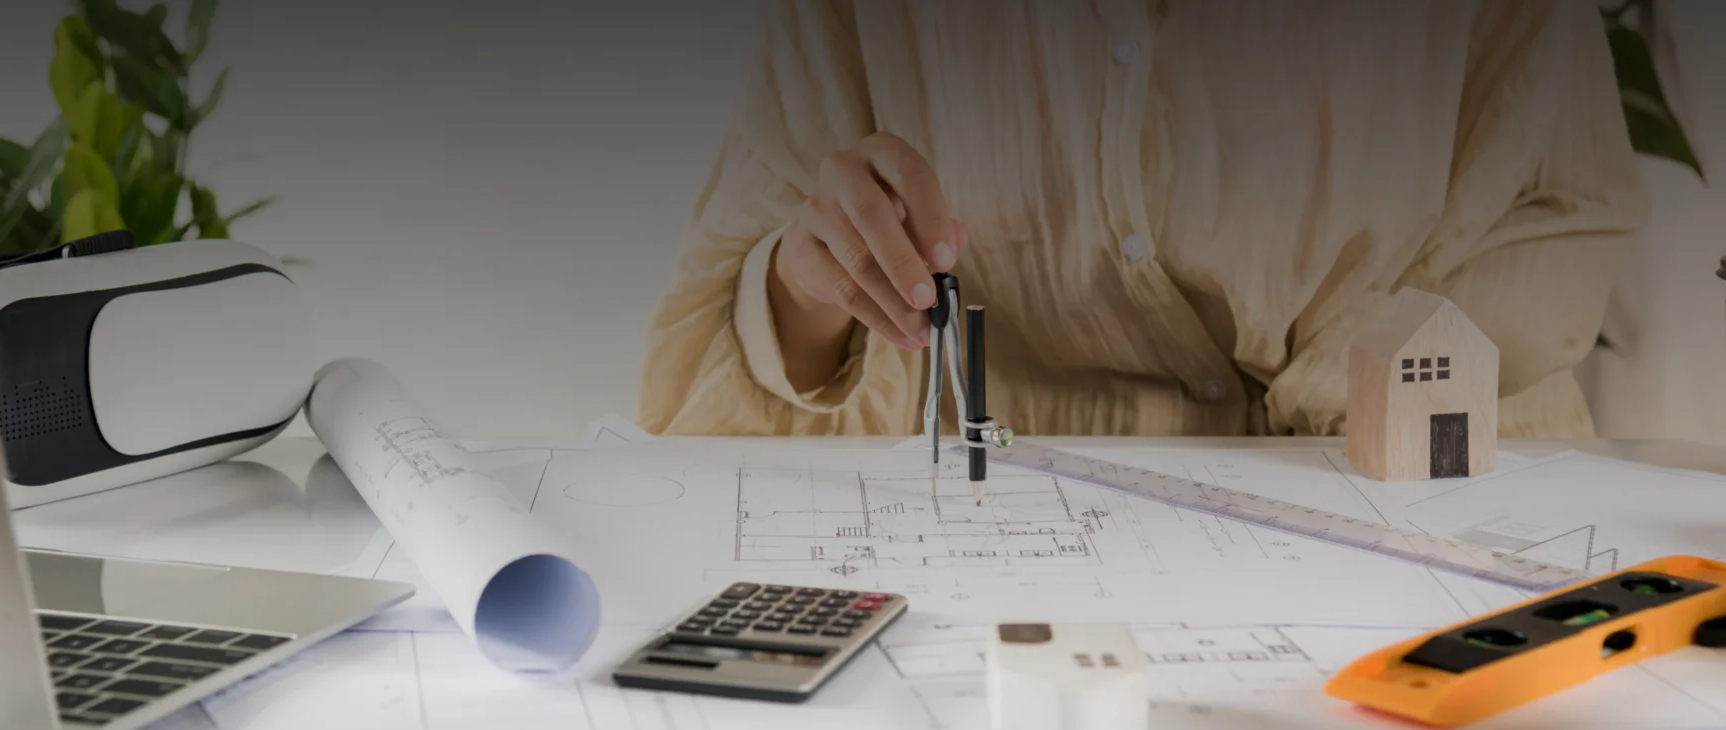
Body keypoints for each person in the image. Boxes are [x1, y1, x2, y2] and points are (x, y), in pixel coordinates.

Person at [634, 0, 1648, 441]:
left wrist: (1339, 391)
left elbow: (1563, 213)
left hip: (1412, 494)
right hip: (1008, 539)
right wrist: (811, 291)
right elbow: (722, 363)